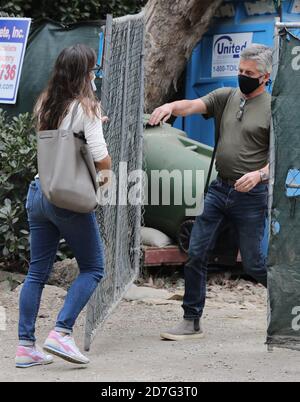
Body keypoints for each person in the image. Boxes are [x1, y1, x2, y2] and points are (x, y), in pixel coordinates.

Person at [149, 44, 272, 341]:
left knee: (254, 263)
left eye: (249, 73)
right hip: (219, 189)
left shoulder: (273, 108)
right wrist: (170, 107)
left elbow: (285, 156)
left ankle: (290, 304)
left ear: (265, 77)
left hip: (252, 195)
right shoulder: (226, 97)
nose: (242, 76)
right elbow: (192, 105)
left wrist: (259, 175)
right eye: (240, 71)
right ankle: (191, 321)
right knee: (196, 252)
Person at [15, 44, 111, 367]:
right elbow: (101, 157)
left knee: (37, 271)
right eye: (92, 70)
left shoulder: (45, 102)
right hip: (67, 199)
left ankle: (26, 346)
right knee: (94, 268)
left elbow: (62, 137)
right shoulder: (87, 107)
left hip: (39, 191)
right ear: (85, 73)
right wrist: (106, 176)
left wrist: (94, 120)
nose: (94, 74)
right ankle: (61, 331)